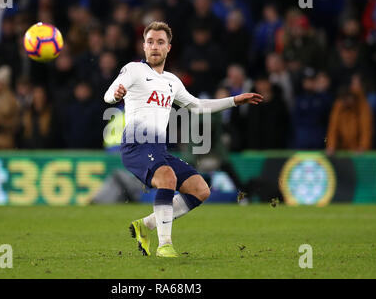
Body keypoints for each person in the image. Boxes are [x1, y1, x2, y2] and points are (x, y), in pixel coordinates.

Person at [103, 21, 263, 258]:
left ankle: (144, 226)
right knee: (167, 177)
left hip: (158, 149)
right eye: (150, 42)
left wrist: (234, 100)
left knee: (201, 190)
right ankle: (164, 245)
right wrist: (115, 94)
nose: (155, 46)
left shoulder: (172, 81)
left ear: (169, 47)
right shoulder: (134, 70)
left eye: (160, 42)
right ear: (143, 46)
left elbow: (197, 106)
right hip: (136, 145)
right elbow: (109, 94)